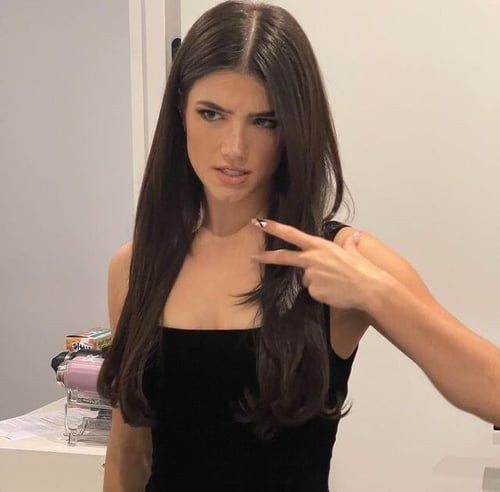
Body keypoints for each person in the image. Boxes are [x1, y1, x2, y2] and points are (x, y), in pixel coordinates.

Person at [97, 1, 500, 491]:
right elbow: (128, 456)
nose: (234, 148)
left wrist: (377, 294)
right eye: (212, 114)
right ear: (181, 112)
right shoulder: (136, 268)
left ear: (293, 128)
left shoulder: (341, 260)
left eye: (264, 121)